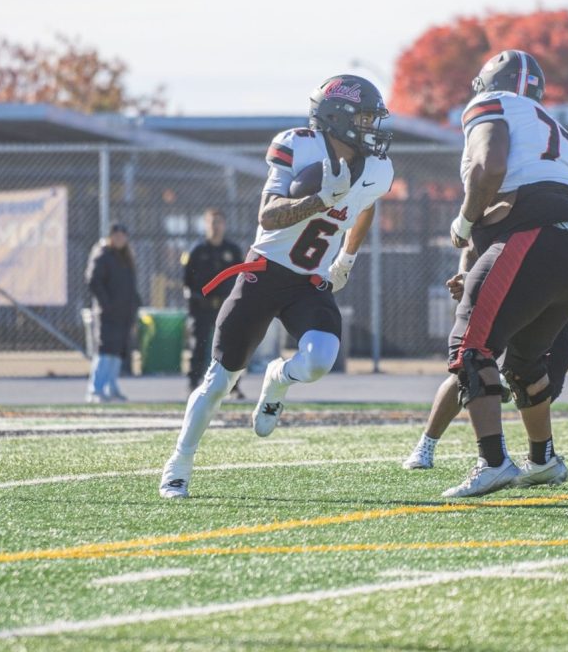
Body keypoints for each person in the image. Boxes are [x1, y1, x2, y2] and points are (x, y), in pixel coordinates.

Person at [158, 74, 394, 499]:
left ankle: (278, 379)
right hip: (265, 272)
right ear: (336, 118)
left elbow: (365, 206)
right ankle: (179, 463)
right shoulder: (297, 145)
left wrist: (347, 259)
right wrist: (320, 200)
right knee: (219, 380)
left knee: (321, 358)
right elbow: (268, 216)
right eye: (363, 118)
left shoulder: (377, 169)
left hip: (309, 282)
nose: (371, 128)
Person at [440, 49, 568, 498]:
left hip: (539, 232)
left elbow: (489, 166)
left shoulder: (489, 106)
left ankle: (493, 461)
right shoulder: (558, 132)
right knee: (525, 360)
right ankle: (543, 459)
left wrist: (463, 219)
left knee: (471, 345)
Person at [403, 177, 568, 473]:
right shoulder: (521, 186)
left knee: (541, 378)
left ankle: (540, 455)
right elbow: (474, 237)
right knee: (471, 363)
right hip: (511, 287)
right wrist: (466, 275)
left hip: (549, 299)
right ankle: (428, 444)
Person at [182, 208, 246, 399]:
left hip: (226, 306)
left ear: (224, 225)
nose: (215, 226)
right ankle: (194, 383)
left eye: (219, 222)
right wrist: (195, 298)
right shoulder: (197, 250)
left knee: (231, 345)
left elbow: (241, 277)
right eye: (212, 222)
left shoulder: (232, 250)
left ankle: (232, 386)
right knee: (199, 345)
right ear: (205, 225)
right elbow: (186, 281)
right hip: (202, 307)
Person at [84, 223, 142, 403]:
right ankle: (95, 390)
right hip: (108, 313)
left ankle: (111, 387)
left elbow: (130, 285)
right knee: (105, 350)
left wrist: (134, 305)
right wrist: (106, 304)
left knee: (117, 352)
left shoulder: (126, 257)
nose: (119, 238)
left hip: (124, 313)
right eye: (115, 235)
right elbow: (93, 281)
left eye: (122, 235)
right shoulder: (103, 254)